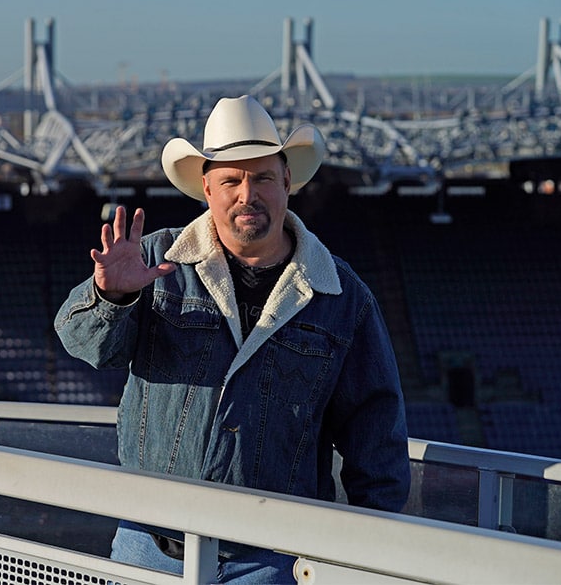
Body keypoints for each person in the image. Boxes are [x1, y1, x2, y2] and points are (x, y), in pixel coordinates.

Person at [55, 95, 410, 584]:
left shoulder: (344, 298)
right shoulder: (156, 260)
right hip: (150, 543)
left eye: (262, 177)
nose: (248, 194)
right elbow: (86, 345)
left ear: (287, 181)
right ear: (206, 188)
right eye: (231, 180)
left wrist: (376, 553)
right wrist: (110, 295)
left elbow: (376, 430)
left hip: (274, 560)